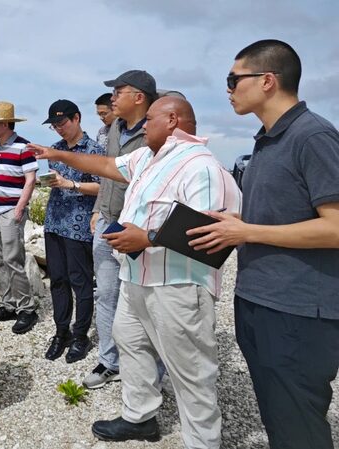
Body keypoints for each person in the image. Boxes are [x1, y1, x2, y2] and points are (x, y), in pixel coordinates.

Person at [28, 96, 242, 448]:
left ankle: (203, 441)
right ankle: (140, 417)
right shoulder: (148, 158)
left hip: (176, 286)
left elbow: (213, 234)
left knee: (190, 369)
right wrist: (57, 155)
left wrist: (147, 238)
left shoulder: (201, 167)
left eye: (150, 119)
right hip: (136, 279)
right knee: (131, 344)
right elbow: (106, 165)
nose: (143, 126)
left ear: (172, 120)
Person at [188, 39, 339, 449]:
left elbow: (335, 227)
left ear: (267, 80)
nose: (228, 89)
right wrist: (238, 224)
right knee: (279, 418)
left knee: (298, 427)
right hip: (259, 301)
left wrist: (248, 232)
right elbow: (281, 217)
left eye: (233, 79)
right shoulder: (266, 140)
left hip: (298, 312)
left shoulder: (313, 136)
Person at [84, 70, 157, 390]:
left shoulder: (158, 130)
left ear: (139, 97)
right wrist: (98, 209)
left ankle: (153, 369)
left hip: (139, 228)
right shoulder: (114, 127)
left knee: (146, 301)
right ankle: (109, 362)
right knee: (106, 295)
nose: (112, 98)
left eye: (118, 92)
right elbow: (107, 172)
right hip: (107, 221)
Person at [39, 99, 104, 362]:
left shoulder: (95, 150)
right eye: (54, 125)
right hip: (55, 222)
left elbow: (103, 187)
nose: (58, 128)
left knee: (81, 281)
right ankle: (61, 332)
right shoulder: (54, 149)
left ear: (77, 118)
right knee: (58, 281)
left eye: (62, 122)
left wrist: (71, 184)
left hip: (79, 226)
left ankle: (81, 336)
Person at [0, 101, 40, 334]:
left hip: (11, 211)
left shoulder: (24, 147)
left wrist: (19, 208)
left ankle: (27, 309)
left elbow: (31, 179)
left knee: (13, 260)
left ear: (5, 124)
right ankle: (8, 305)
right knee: (0, 261)